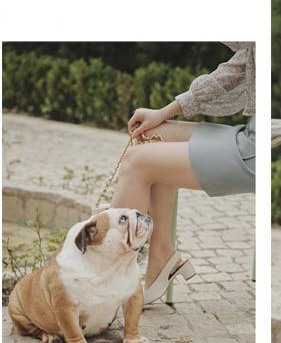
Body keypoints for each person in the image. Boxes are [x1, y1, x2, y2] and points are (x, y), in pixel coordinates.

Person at [110, 46, 256, 300]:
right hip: (250, 133)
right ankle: (162, 252)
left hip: (259, 148)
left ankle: (107, 282)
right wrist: (163, 113)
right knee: (152, 136)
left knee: (136, 162)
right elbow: (232, 73)